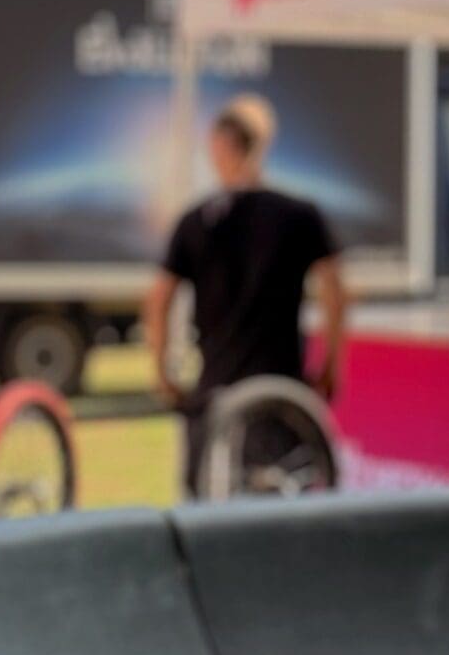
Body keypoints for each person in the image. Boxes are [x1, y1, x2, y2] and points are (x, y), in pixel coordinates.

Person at [147, 96, 347, 496]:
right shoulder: (298, 215)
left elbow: (158, 297)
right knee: (281, 503)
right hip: (280, 391)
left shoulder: (197, 220)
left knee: (206, 503)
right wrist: (332, 363)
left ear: (220, 146)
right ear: (261, 146)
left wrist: (162, 367)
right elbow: (335, 290)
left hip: (216, 388)